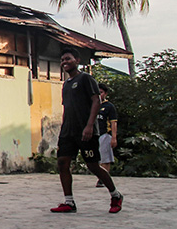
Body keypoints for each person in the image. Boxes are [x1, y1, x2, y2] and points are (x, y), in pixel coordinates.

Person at [49, 48, 124, 214]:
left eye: (68, 59)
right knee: (62, 163)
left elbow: (96, 101)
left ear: (76, 60)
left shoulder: (86, 79)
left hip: (85, 130)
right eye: (62, 60)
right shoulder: (66, 84)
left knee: (93, 166)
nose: (64, 62)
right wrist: (63, 128)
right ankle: (69, 202)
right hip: (68, 131)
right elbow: (68, 108)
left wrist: (90, 126)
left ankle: (115, 195)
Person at [96, 83, 118, 187]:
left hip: (105, 134)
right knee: (97, 159)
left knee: (105, 158)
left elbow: (113, 123)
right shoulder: (93, 105)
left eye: (101, 92)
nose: (99, 95)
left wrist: (114, 137)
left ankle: (103, 179)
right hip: (95, 134)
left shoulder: (109, 107)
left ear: (105, 93)